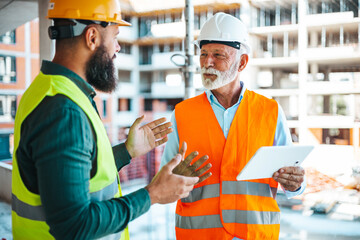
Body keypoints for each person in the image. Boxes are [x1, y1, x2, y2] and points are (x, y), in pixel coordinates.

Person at [11, 0, 211, 239]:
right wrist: (152, 194)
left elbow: (80, 174)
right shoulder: (65, 111)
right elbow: (74, 225)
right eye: (115, 37)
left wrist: (126, 151)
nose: (117, 48)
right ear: (92, 37)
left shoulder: (48, 88)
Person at [161, 12, 306, 240]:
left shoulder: (270, 111)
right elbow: (163, 186)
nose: (208, 62)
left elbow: (291, 178)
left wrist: (296, 184)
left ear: (242, 62)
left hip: (256, 235)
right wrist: (174, 180)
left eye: (218, 55)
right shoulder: (182, 114)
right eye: (204, 54)